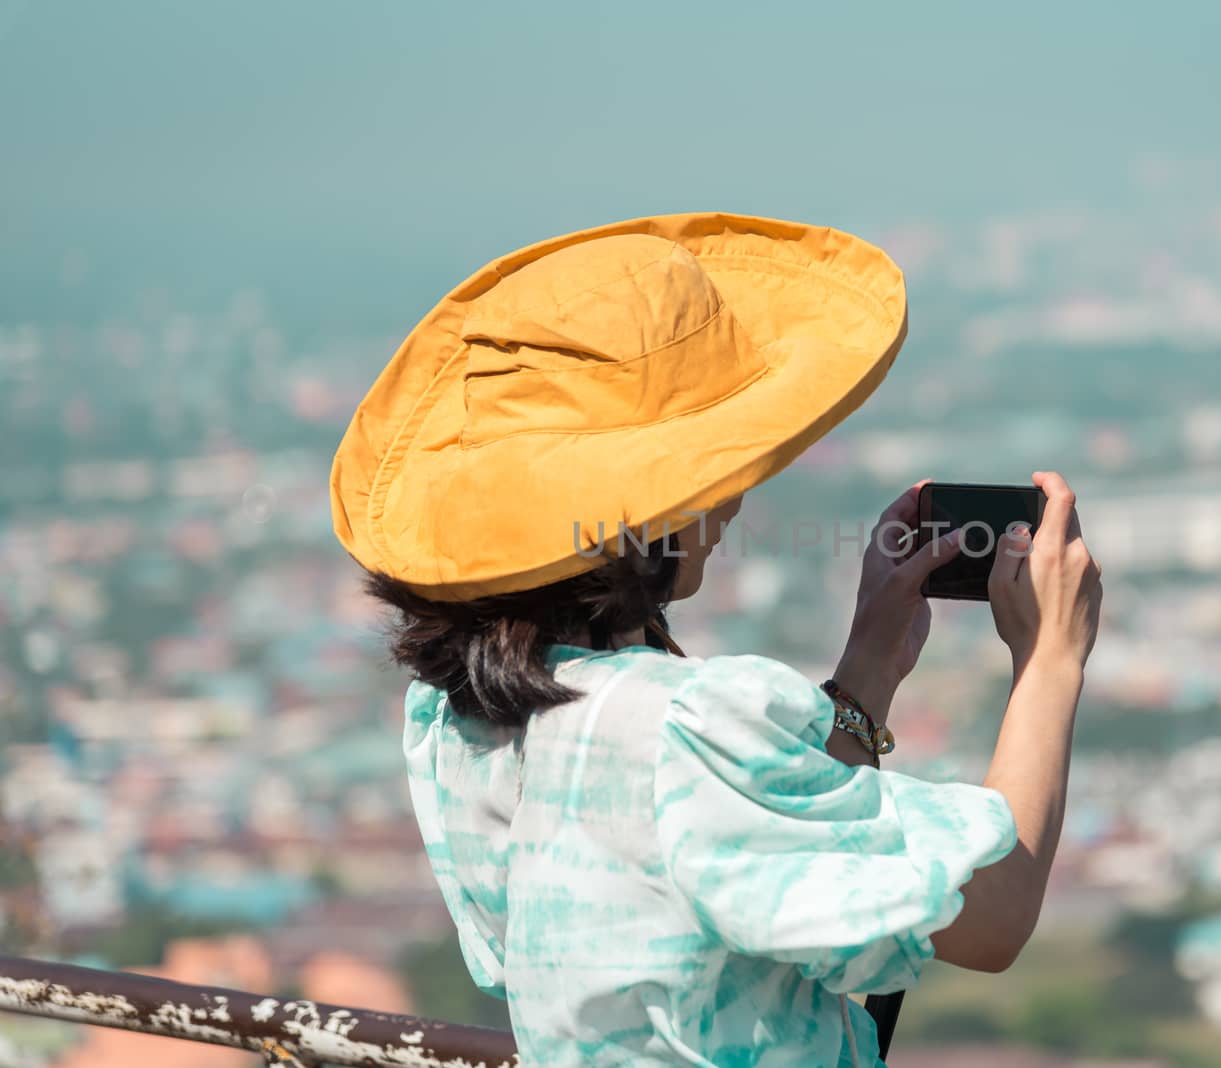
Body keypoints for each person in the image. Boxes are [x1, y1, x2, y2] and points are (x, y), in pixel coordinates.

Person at [329, 212, 1102, 1066]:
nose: (733, 498)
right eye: (716, 469)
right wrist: (1050, 661)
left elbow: (726, 869)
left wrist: (868, 669)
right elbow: (991, 918)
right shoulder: (683, 725)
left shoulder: (454, 712)